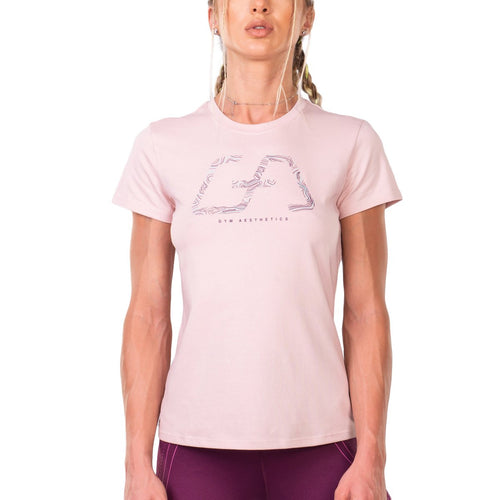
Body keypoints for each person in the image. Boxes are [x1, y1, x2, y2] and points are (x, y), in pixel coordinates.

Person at [112, 0, 403, 499]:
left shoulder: (351, 141)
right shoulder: (162, 145)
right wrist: (136, 465)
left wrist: (372, 458)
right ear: (213, 16)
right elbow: (147, 315)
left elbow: (366, 311)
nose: (260, 5)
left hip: (323, 445)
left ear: (306, 17)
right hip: (196, 446)